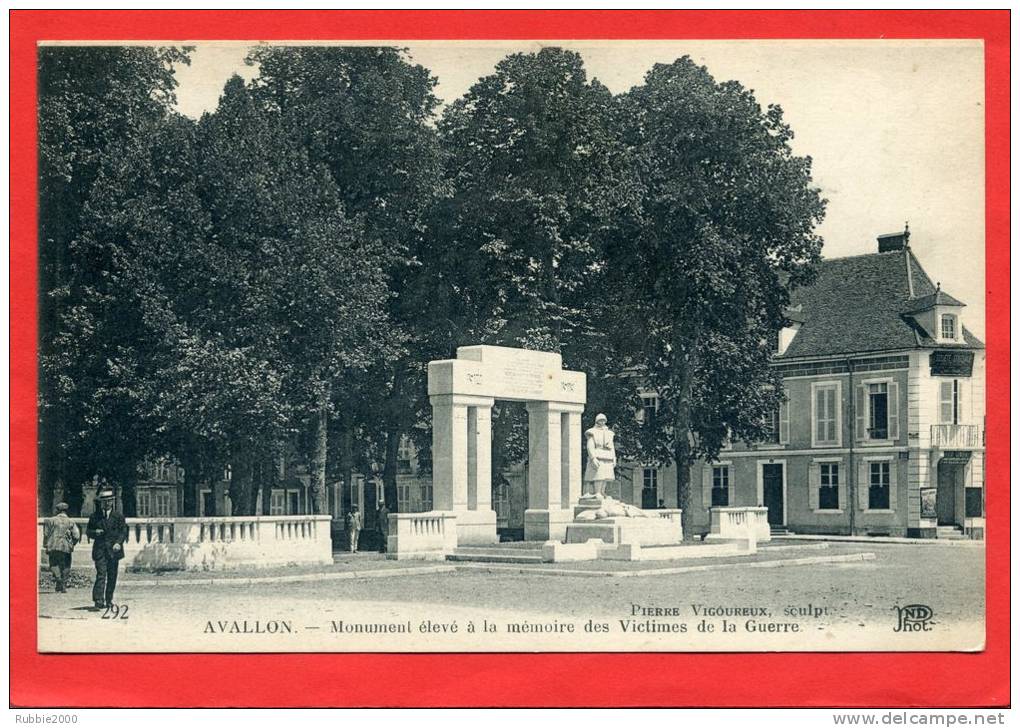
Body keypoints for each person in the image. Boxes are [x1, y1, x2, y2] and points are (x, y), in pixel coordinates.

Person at [86, 487, 128, 610]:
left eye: (109, 500)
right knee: (101, 574)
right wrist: (95, 532)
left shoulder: (118, 516)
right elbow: (88, 531)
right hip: (100, 550)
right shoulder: (95, 516)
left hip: (114, 551)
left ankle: (109, 599)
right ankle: (98, 600)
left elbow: (123, 531)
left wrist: (118, 543)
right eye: (104, 501)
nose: (107, 503)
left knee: (112, 576)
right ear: (101, 502)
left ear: (113, 501)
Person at [43, 502, 80, 593]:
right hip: (66, 546)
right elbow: (76, 535)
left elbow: (46, 534)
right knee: (66, 565)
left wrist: (45, 544)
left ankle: (58, 579)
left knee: (53, 563)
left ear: (57, 510)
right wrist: (73, 544)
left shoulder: (50, 520)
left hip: (53, 545)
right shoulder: (71, 522)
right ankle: (63, 584)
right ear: (66, 511)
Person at [583, 413, 617, 498]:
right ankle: (597, 492)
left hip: (608, 455)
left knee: (606, 476)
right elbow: (590, 446)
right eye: (600, 420)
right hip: (597, 454)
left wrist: (614, 458)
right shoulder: (592, 432)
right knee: (598, 475)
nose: (602, 422)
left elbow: (612, 446)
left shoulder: (609, 433)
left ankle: (602, 492)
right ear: (597, 421)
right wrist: (593, 458)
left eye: (603, 420)